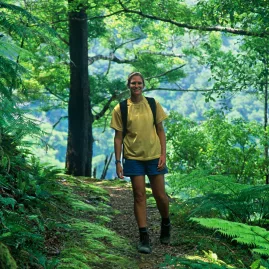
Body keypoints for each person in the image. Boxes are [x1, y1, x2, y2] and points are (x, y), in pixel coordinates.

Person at [110, 72, 170, 254]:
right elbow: (118, 137)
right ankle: (143, 236)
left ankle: (166, 222)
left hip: (154, 156)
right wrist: (118, 161)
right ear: (128, 85)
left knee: (160, 196)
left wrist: (163, 154)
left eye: (139, 83)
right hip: (133, 158)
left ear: (143, 85)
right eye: (133, 83)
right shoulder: (121, 108)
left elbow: (160, 130)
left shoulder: (153, 104)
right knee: (139, 195)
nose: (136, 86)